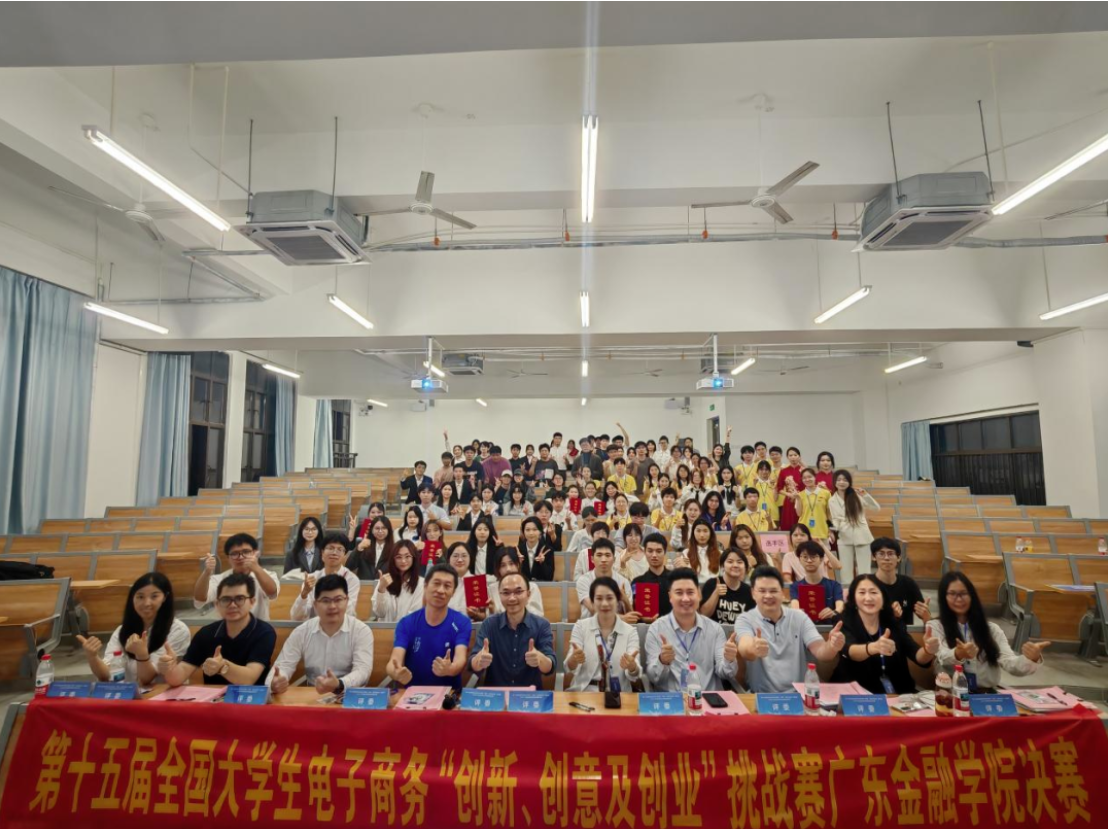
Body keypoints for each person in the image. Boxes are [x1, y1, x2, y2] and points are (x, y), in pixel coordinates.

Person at [931, 572, 1049, 693]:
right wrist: (957, 654)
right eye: (952, 594)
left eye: (964, 593)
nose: (959, 599)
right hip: (950, 695)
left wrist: (1031, 658)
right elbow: (942, 656)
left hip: (985, 695)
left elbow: (1010, 663)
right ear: (943, 597)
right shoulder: (936, 626)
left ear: (972, 596)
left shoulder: (992, 629)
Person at [734, 566, 846, 693]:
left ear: (782, 593)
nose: (768, 595)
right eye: (762, 591)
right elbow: (744, 648)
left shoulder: (800, 617)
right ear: (753, 593)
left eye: (773, 591)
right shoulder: (745, 619)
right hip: (761, 695)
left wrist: (832, 646)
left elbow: (821, 651)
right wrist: (753, 648)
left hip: (799, 694)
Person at [77, 572, 191, 685]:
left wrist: (142, 655)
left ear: (165, 597)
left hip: (163, 693)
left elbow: (146, 680)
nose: (147, 603)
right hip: (130, 694)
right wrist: (92, 657)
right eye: (140, 597)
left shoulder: (178, 630)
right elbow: (105, 675)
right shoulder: (122, 630)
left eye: (154, 596)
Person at [268, 574, 374, 697]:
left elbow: (363, 670)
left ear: (347, 601)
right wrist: (274, 683)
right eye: (325, 601)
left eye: (338, 599)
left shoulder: (361, 631)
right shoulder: (302, 632)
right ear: (315, 604)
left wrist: (339, 684)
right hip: (313, 697)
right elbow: (283, 665)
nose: (332, 606)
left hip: (351, 697)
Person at [833, 574, 940, 694]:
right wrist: (874, 647)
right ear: (853, 598)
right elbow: (850, 651)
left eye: (874, 592)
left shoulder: (894, 622)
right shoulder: (843, 620)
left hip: (896, 695)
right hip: (855, 694)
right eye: (862, 592)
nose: (868, 598)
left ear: (883, 598)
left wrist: (928, 651)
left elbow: (918, 656)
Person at [166, 572, 277, 687]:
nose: (232, 605)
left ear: (252, 602)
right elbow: (179, 675)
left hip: (251, 696)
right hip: (213, 697)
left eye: (239, 598)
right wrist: (169, 668)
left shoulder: (264, 632)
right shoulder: (206, 634)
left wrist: (223, 666)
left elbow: (249, 679)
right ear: (217, 604)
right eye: (225, 599)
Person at [643, 567, 740, 692]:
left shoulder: (715, 629)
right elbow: (653, 678)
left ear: (699, 594)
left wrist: (729, 659)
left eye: (690, 592)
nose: (685, 599)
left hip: (707, 697)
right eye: (679, 593)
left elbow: (726, 673)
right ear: (670, 596)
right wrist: (662, 661)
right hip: (672, 700)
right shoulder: (656, 629)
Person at [387, 564, 473, 691]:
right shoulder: (406, 623)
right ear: (425, 586)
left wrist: (450, 669)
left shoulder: (462, 622)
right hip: (413, 696)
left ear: (453, 592)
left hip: (449, 695)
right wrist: (396, 672)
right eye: (436, 583)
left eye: (447, 586)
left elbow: (460, 659)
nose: (441, 590)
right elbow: (394, 661)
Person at [470, 572, 556, 688]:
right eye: (506, 593)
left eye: (518, 592)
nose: (512, 598)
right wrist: (479, 661)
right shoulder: (489, 624)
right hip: (496, 695)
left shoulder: (542, 625)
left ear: (528, 594)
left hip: (529, 695)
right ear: (499, 596)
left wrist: (540, 659)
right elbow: (473, 664)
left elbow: (550, 667)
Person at [565, 576, 644, 692]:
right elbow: (569, 667)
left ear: (618, 600)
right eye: (599, 598)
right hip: (585, 692)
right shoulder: (581, 627)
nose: (605, 603)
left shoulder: (630, 631)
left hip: (618, 694)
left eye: (610, 598)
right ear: (592, 602)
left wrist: (632, 667)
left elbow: (635, 674)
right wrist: (574, 659)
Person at [193, 533, 280, 621]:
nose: (240, 557)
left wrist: (256, 568)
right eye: (234, 553)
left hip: (259, 627)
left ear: (255, 553)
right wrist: (207, 572)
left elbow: (272, 593)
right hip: (229, 626)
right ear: (228, 558)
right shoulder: (219, 579)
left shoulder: (268, 575)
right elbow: (200, 599)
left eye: (246, 552)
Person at [291, 532, 361, 621]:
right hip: (316, 626)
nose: (334, 553)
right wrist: (304, 594)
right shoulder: (312, 579)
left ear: (345, 555)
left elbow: (348, 613)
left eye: (340, 549)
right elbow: (296, 617)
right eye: (330, 548)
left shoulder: (351, 579)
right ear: (322, 553)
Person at [828, 469, 880, 583]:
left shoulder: (857, 495)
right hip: (844, 537)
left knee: (864, 569)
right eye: (839, 480)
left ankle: (864, 589)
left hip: (862, 535)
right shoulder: (832, 500)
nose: (842, 482)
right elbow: (835, 519)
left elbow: (876, 508)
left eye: (845, 480)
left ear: (849, 482)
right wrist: (832, 529)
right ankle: (848, 592)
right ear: (835, 482)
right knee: (845, 570)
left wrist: (866, 495)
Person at [870, 537, 931, 625]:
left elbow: (923, 614)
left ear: (898, 558)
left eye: (891, 553)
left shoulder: (909, 584)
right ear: (873, 557)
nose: (886, 558)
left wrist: (925, 614)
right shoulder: (867, 584)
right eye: (881, 553)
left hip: (904, 632)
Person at [576, 539, 635, 621]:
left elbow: (631, 618)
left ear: (614, 559)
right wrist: (622, 618)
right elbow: (593, 610)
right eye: (599, 555)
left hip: (617, 627)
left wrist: (625, 600)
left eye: (607, 555)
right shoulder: (584, 580)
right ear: (592, 559)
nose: (603, 559)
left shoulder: (623, 582)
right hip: (590, 626)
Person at [787, 541, 844, 622]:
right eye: (805, 557)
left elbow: (840, 606)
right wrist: (798, 612)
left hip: (829, 626)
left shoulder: (834, 585)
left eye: (813, 557)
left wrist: (834, 612)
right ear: (799, 559)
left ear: (821, 559)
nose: (809, 560)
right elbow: (795, 606)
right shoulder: (795, 587)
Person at [373, 540, 425, 622]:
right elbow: (379, 613)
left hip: (409, 629)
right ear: (393, 559)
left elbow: (414, 615)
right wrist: (381, 589)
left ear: (414, 558)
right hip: (385, 629)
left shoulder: (421, 583)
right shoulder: (384, 580)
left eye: (407, 556)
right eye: (398, 557)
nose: (403, 561)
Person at [699, 549, 753, 626]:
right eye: (730, 562)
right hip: (713, 631)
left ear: (745, 566)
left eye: (739, 562)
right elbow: (703, 615)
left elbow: (751, 621)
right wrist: (716, 593)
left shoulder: (748, 590)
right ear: (722, 566)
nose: (735, 565)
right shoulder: (712, 584)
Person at [487, 548, 545, 616]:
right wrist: (492, 611)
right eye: (503, 565)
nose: (508, 569)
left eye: (511, 564)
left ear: (518, 565)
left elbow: (537, 616)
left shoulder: (532, 587)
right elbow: (488, 617)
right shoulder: (491, 589)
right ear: (498, 569)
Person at [632, 535, 675, 621]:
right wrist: (643, 618)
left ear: (665, 552)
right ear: (645, 552)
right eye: (650, 551)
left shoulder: (675, 579)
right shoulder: (637, 582)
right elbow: (634, 611)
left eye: (659, 551)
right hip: (646, 627)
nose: (654, 555)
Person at [790, 467, 833, 545]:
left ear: (815, 477)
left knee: (823, 552)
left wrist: (831, 530)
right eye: (804, 478)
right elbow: (799, 514)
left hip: (822, 531)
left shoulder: (826, 493)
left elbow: (829, 514)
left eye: (810, 477)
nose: (807, 479)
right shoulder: (800, 495)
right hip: (804, 532)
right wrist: (798, 499)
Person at [775, 447, 805, 532]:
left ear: (799, 457)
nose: (793, 457)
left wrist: (798, 495)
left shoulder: (804, 470)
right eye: (790, 455)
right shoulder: (784, 471)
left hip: (802, 500)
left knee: (801, 522)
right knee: (788, 524)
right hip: (789, 501)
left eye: (795, 455)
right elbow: (779, 488)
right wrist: (789, 494)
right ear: (787, 457)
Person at [518, 515, 555, 582]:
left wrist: (542, 563)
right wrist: (518, 564)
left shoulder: (547, 550)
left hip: (542, 587)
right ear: (523, 532)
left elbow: (550, 577)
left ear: (540, 532)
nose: (531, 533)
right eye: (527, 530)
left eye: (535, 529)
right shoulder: (518, 551)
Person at [688, 519, 722, 583]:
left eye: (705, 531)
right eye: (698, 531)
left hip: (714, 587)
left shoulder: (720, 554)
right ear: (693, 533)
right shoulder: (686, 553)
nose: (702, 535)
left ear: (711, 533)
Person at [751, 461, 780, 526]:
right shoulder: (754, 483)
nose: (764, 472)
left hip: (773, 515)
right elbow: (752, 499)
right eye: (761, 469)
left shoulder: (774, 483)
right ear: (757, 471)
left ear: (769, 471)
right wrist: (754, 485)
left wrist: (774, 487)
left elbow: (775, 499)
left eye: (766, 469)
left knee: (773, 532)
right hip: (757, 514)